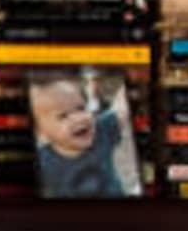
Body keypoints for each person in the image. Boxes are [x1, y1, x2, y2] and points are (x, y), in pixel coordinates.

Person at [29, 65, 140, 198]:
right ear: (41, 132)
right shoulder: (43, 162)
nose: (78, 118)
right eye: (63, 115)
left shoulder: (101, 130)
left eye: (81, 108)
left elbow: (121, 108)